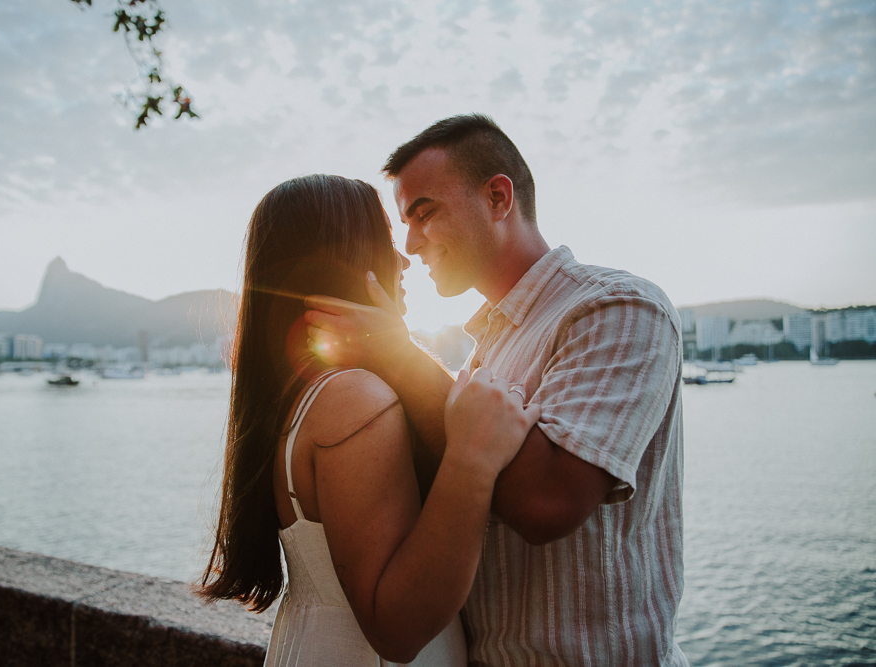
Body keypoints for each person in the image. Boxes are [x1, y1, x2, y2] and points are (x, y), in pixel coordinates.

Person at [304, 115, 688, 666]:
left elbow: (548, 503)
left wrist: (396, 352)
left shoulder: (618, 309)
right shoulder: (486, 347)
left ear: (498, 197)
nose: (410, 245)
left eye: (424, 213)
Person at [198, 174, 542, 666]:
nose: (403, 260)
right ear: (341, 260)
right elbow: (397, 630)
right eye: (383, 242)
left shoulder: (303, 393)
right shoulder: (353, 398)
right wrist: (474, 455)